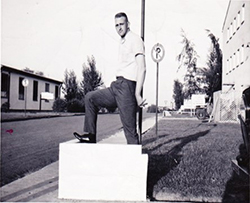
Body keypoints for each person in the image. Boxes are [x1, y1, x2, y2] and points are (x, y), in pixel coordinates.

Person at [73, 12, 146, 145]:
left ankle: (135, 164)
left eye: (122, 24)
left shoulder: (135, 40)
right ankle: (90, 136)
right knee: (90, 97)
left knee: (130, 131)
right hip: (116, 86)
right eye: (116, 25)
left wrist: (137, 94)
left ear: (128, 24)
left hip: (127, 88)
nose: (119, 28)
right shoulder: (122, 41)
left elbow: (142, 68)